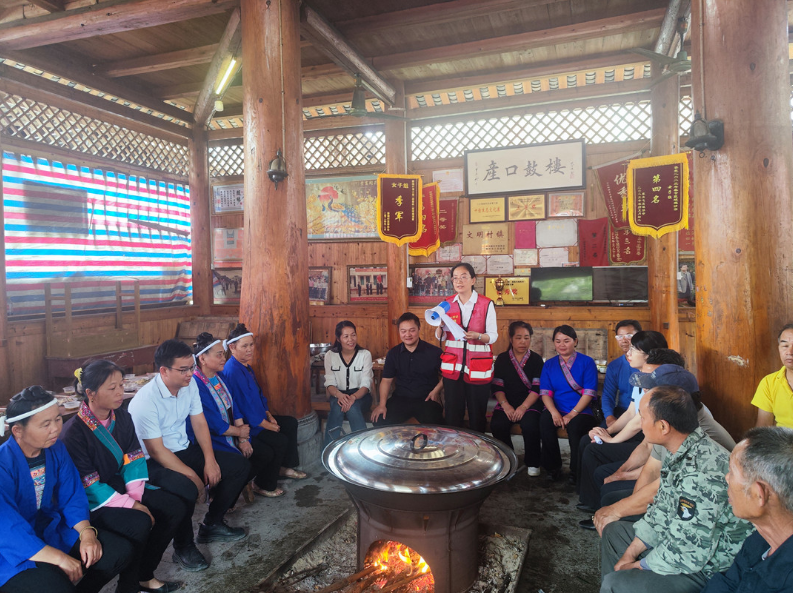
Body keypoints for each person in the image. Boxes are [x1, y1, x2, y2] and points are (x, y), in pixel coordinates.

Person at [600, 385, 753, 593]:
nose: (640, 423)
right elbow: (661, 509)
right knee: (614, 533)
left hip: (707, 568)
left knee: (616, 583)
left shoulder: (702, 473)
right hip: (682, 543)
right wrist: (629, 554)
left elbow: (687, 549)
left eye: (642, 417)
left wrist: (637, 565)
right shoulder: (680, 449)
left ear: (663, 427)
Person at [61, 361, 186, 593]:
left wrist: (134, 498)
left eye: (121, 385)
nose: (120, 392)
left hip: (122, 485)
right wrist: (131, 505)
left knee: (173, 507)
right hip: (95, 498)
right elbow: (89, 484)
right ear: (90, 393)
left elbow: (133, 458)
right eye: (112, 388)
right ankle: (129, 585)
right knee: (139, 522)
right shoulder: (73, 433)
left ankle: (144, 575)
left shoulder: (122, 416)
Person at [128, 338, 248, 572]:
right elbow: (156, 450)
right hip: (153, 461)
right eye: (183, 369)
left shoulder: (190, 384)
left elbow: (199, 422)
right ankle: (183, 547)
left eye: (192, 367)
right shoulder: (145, 400)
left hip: (183, 448)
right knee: (186, 488)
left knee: (238, 466)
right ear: (164, 371)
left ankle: (212, 524)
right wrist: (194, 477)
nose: (190, 373)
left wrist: (210, 460)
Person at [0, 386, 133, 593]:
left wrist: (87, 534)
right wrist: (59, 557)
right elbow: (6, 526)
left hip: (47, 529)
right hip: (10, 547)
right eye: (45, 424)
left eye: (57, 419)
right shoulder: (3, 463)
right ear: (18, 430)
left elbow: (71, 496)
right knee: (55, 584)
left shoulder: (56, 449)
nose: (55, 429)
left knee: (117, 552)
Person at [581, 360, 736, 531]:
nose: (646, 392)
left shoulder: (692, 431)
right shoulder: (671, 421)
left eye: (653, 391)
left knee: (613, 500)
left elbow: (666, 483)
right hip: (674, 485)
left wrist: (622, 509)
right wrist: (621, 477)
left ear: (675, 399)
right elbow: (652, 465)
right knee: (610, 492)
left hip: (701, 504)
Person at [220, 323, 307, 498]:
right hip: (249, 424)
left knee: (290, 423)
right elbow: (243, 406)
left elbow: (259, 394)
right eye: (245, 346)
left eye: (251, 344)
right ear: (232, 347)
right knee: (279, 440)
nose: (250, 349)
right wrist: (267, 425)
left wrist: (268, 414)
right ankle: (262, 483)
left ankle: (282, 467)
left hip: (260, 417)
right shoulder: (233, 370)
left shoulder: (245, 366)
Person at [702, 427, 793, 592]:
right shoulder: (759, 540)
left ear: (759, 494)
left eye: (732, 472)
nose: (727, 478)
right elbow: (727, 583)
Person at [434, 262, 498, 432]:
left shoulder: (486, 304)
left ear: (473, 280)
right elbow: (441, 337)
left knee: (477, 416)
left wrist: (478, 336)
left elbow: (493, 336)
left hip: (477, 369)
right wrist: (440, 326)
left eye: (463, 277)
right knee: (452, 415)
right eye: (455, 278)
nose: (459, 281)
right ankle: (454, 447)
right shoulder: (447, 304)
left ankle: (478, 447)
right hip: (453, 368)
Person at [539, 325, 599, 483]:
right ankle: (552, 468)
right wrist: (553, 412)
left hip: (581, 410)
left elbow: (589, 393)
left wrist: (572, 414)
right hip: (556, 409)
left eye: (566, 340)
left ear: (575, 341)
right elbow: (545, 393)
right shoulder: (549, 364)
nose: (562, 344)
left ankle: (576, 471)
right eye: (558, 341)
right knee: (545, 422)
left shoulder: (587, 362)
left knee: (575, 427)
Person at [490, 321, 545, 476]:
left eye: (526, 338)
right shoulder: (502, 359)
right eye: (518, 337)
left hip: (530, 403)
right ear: (511, 339)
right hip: (507, 402)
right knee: (498, 424)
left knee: (530, 425)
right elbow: (497, 386)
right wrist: (505, 405)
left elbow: (537, 388)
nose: (523, 342)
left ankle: (533, 462)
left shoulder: (536, 360)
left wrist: (523, 407)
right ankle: (508, 460)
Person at [371, 312, 444, 425]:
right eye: (403, 331)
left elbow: (448, 375)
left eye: (412, 330)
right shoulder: (393, 353)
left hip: (427, 399)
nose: (408, 335)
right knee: (380, 420)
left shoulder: (434, 352)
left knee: (435, 423)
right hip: (401, 398)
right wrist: (382, 405)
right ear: (399, 331)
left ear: (419, 329)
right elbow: (386, 380)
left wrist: (436, 391)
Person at [323, 320, 373, 446]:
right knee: (337, 406)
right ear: (338, 339)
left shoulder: (365, 354)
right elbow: (329, 382)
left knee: (352, 407)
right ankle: (331, 448)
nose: (351, 339)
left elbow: (366, 384)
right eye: (346, 336)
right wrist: (340, 395)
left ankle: (361, 446)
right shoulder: (330, 355)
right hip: (338, 394)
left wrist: (353, 397)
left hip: (361, 395)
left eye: (353, 335)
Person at [601, 320, 643, 427]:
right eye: (619, 337)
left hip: (644, 414)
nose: (624, 340)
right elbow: (608, 395)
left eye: (629, 336)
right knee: (594, 436)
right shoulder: (614, 366)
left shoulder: (649, 364)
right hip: (622, 412)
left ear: (639, 336)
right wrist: (609, 416)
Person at [753, 323, 793, 429]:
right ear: (779, 348)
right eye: (785, 346)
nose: (790, 352)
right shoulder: (769, 382)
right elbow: (763, 428)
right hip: (782, 439)